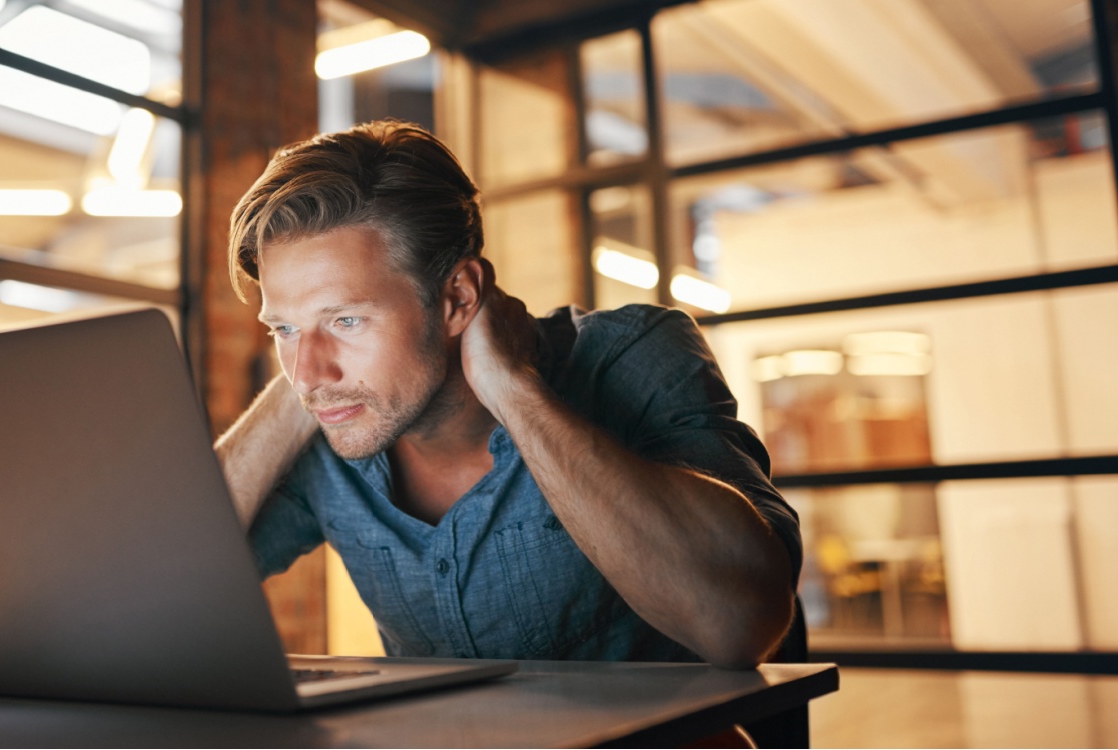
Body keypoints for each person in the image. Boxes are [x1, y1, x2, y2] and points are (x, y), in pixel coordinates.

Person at [214, 119, 799, 669]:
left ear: (458, 298)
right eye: (282, 328)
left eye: (346, 320)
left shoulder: (634, 354)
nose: (308, 371)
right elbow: (148, 585)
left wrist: (514, 390)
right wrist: (297, 391)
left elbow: (741, 622)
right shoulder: (332, 428)